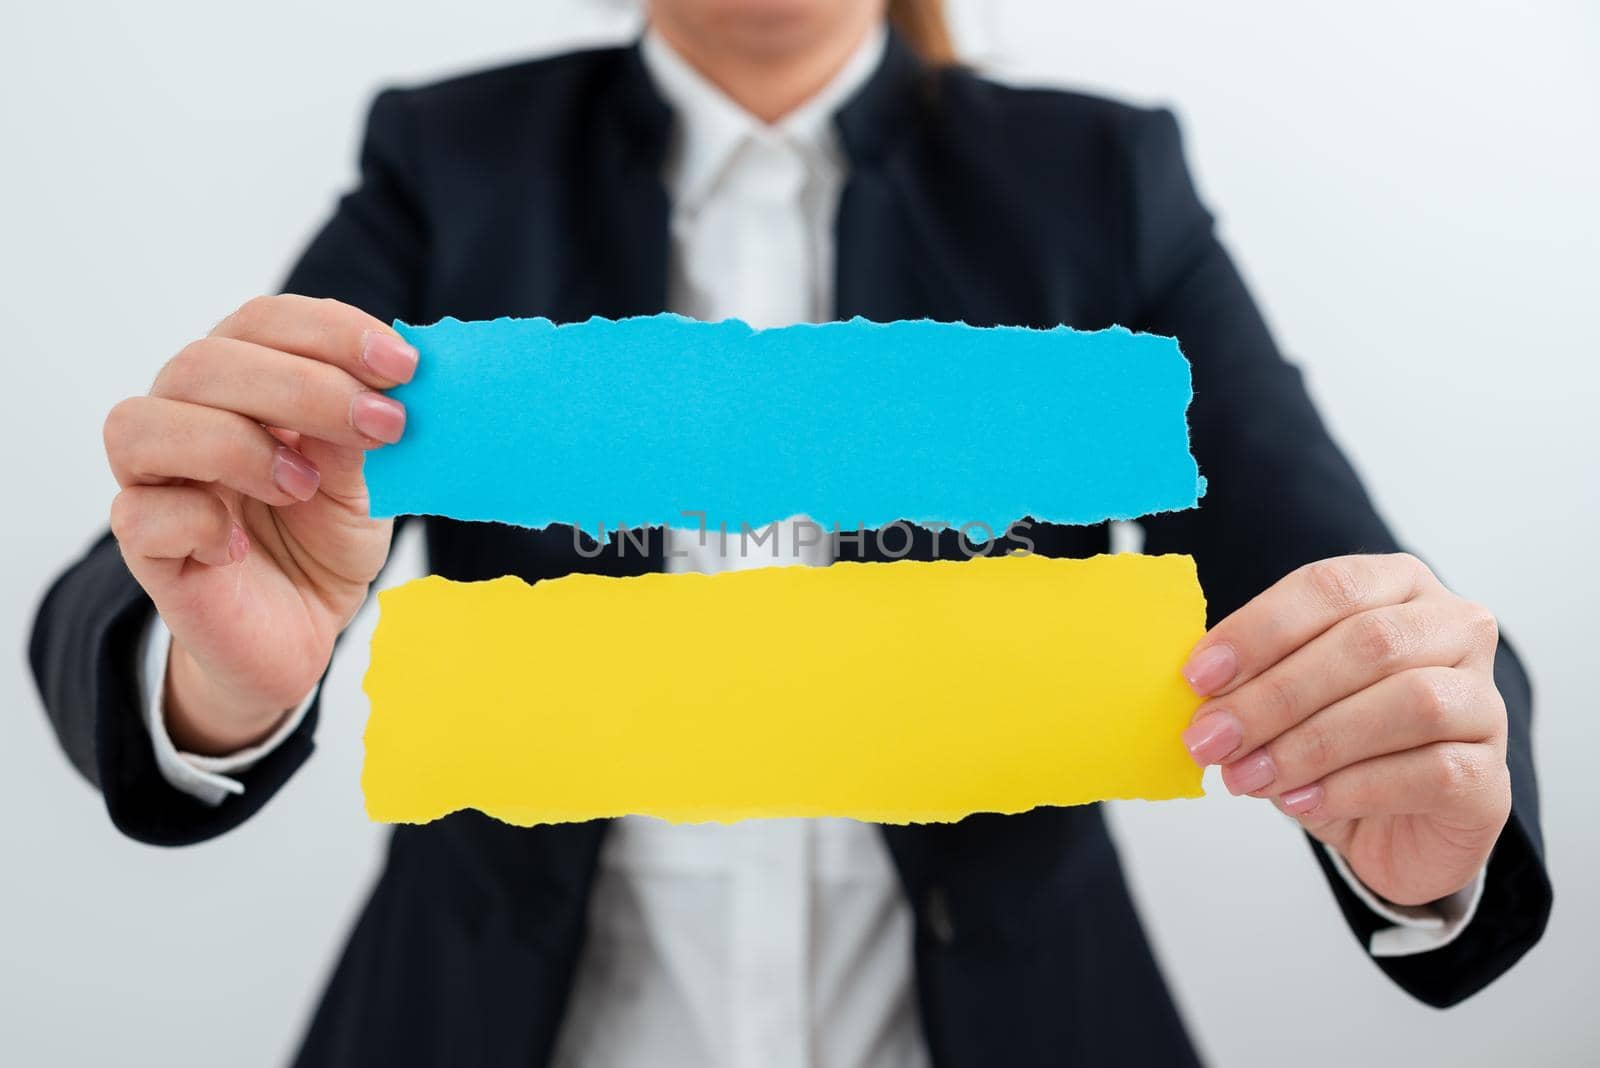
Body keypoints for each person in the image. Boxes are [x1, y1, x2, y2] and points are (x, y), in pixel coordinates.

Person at [29, 1, 1551, 1065]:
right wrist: (217, 679)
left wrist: (1426, 775)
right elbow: (141, 586)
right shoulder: (452, 162)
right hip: (503, 1013)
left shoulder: (1097, 178)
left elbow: (1365, 603)